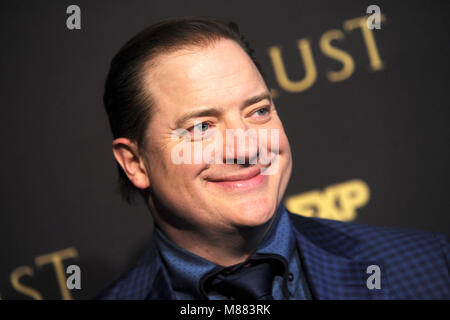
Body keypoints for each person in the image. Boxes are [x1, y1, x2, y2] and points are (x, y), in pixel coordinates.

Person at [97, 16, 449, 300]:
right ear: (135, 163)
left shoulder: (432, 266)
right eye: (202, 126)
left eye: (259, 111)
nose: (247, 147)